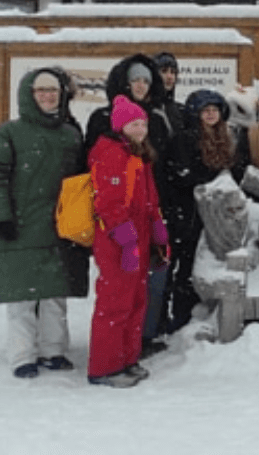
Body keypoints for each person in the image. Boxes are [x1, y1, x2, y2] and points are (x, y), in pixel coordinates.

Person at [0, 69, 87, 379]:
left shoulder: (70, 134)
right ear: (29, 93)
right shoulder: (9, 133)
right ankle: (22, 355)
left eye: (52, 90)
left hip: (59, 226)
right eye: (40, 90)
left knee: (55, 294)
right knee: (22, 297)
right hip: (21, 225)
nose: (47, 96)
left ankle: (53, 351)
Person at [83, 54, 176, 357]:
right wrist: (123, 234)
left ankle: (131, 351)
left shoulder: (153, 127)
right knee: (117, 296)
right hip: (118, 226)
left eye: (146, 81)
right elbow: (106, 191)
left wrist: (158, 223)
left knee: (140, 294)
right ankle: (108, 362)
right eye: (135, 80)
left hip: (145, 219)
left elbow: (159, 177)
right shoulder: (108, 138)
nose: (140, 85)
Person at [87, 95, 168, 388]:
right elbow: (108, 204)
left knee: (135, 301)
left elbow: (149, 200)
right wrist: (126, 240)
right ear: (121, 126)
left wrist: (158, 233)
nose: (140, 128)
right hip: (116, 239)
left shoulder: (138, 153)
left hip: (137, 237)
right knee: (115, 303)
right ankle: (104, 367)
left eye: (143, 123)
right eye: (134, 123)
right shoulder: (111, 152)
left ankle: (126, 358)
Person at [162, 89, 234, 333]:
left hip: (213, 216)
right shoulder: (185, 138)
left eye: (215, 109)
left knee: (203, 265)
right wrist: (212, 181)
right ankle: (179, 316)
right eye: (206, 110)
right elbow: (182, 175)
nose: (211, 114)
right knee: (185, 268)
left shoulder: (225, 136)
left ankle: (197, 313)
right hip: (187, 214)